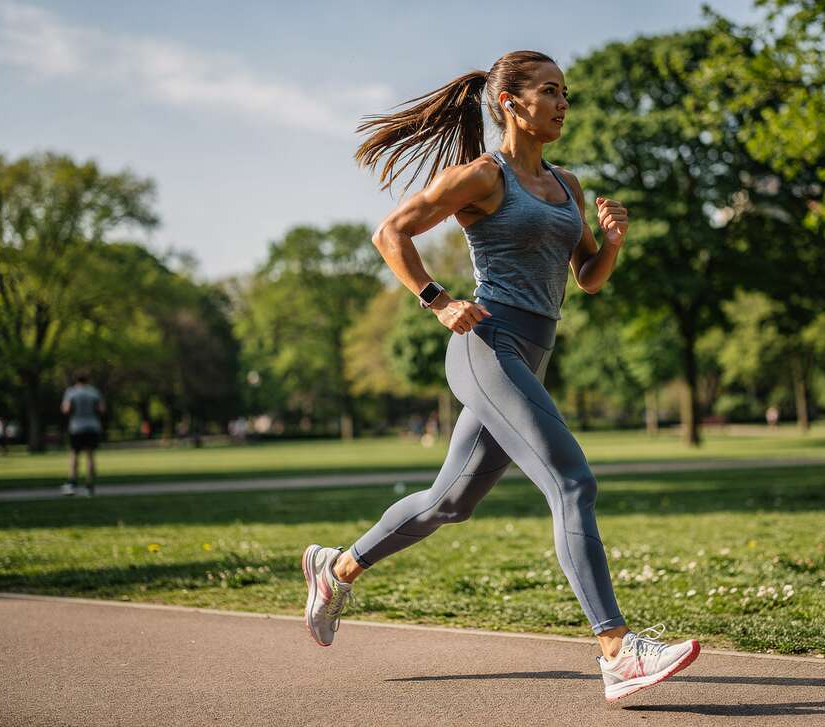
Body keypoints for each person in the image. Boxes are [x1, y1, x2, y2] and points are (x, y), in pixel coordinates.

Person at [299, 51, 698, 702]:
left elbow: (587, 279)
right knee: (573, 479)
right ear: (510, 102)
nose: (563, 103)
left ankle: (335, 567)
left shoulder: (567, 186)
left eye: (566, 92)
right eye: (549, 91)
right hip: (487, 343)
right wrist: (436, 298)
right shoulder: (485, 176)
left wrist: (613, 243)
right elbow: (391, 233)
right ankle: (618, 648)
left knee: (448, 501)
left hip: (532, 349)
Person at [61, 372, 104, 497]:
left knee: (74, 455)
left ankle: (72, 483)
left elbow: (66, 409)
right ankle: (89, 486)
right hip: (93, 425)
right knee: (90, 456)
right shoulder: (94, 392)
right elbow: (101, 409)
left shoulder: (71, 392)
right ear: (88, 380)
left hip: (77, 426)